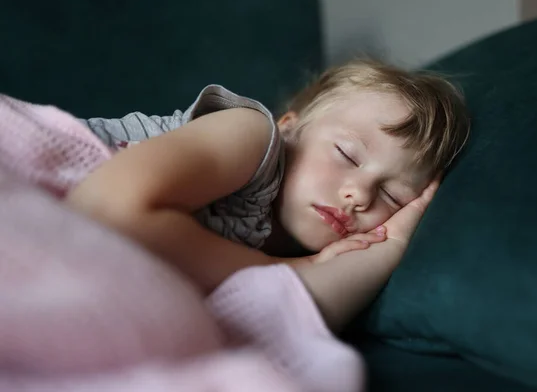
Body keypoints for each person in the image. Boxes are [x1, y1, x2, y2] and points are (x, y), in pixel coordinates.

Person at [66, 58, 470, 331]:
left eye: (393, 196)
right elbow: (107, 210)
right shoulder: (253, 135)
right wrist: (294, 269)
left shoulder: (287, 253)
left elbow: (293, 317)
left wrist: (394, 243)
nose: (359, 195)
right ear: (291, 127)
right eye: (347, 154)